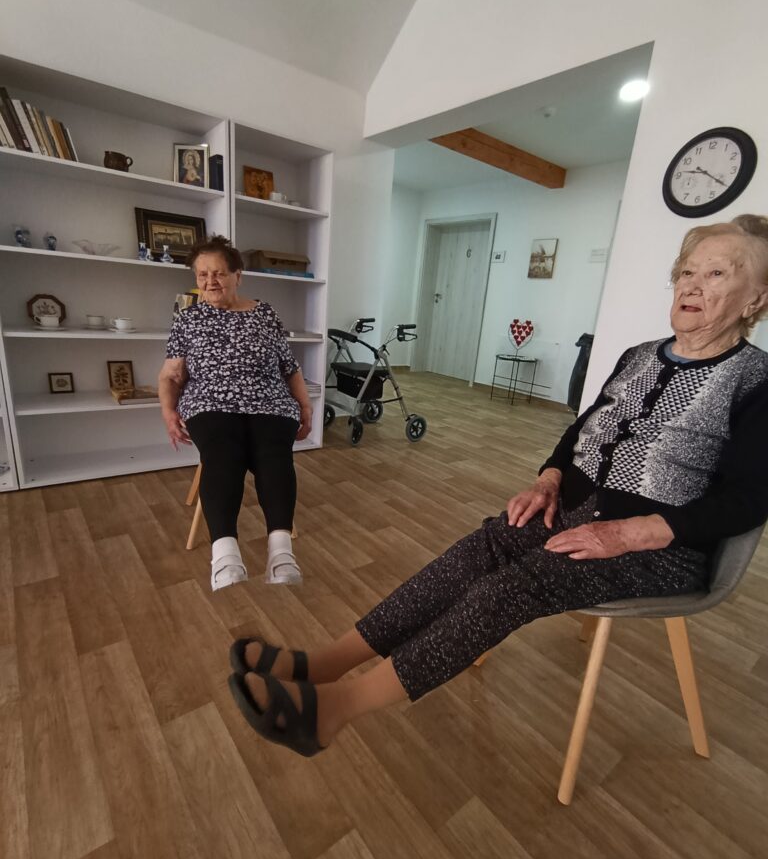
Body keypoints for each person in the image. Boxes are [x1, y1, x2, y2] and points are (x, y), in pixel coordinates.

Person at [227, 217, 768, 757]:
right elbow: (583, 430)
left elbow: (751, 498)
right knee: (474, 551)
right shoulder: (641, 355)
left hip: (661, 550)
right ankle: (324, 664)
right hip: (574, 512)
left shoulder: (757, 380)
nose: (692, 286)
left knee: (512, 587)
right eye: (687, 271)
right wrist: (550, 478)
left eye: (716, 274)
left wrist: (633, 532)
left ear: (756, 299)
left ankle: (333, 710)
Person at [158, 235, 312, 590]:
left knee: (273, 453)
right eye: (202, 275)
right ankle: (224, 556)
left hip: (269, 400)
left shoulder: (265, 313)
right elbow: (170, 375)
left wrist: (304, 405)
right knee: (223, 453)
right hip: (210, 401)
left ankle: (280, 553)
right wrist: (168, 412)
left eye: (219, 273)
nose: (210, 281)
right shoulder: (188, 319)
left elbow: (289, 367)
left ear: (237, 275)